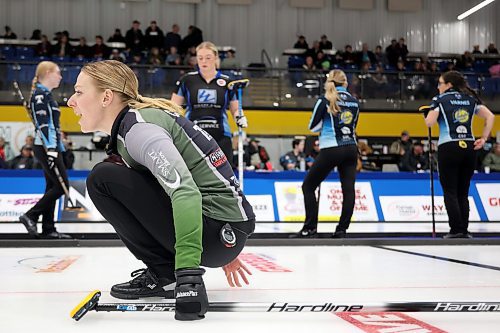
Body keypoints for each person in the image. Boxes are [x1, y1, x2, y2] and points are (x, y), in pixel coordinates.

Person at [67, 60, 255, 321]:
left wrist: (188, 276)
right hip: (221, 229)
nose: (70, 101)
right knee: (114, 174)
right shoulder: (135, 123)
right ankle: (165, 271)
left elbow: (185, 191)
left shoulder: (139, 130)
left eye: (79, 91)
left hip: (217, 231)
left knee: (103, 178)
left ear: (106, 97)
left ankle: (166, 273)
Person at [424, 70, 495, 239]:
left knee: (450, 191)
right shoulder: (470, 99)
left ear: (449, 85)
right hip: (469, 147)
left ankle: (455, 229)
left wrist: (426, 112)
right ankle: (464, 229)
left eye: (440, 83)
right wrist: (484, 138)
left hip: (449, 147)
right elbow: (490, 116)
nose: (438, 86)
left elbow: (430, 122)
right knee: (463, 191)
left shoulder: (439, 100)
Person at [291, 70, 359, 238]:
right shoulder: (354, 101)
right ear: (345, 83)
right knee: (348, 189)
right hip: (351, 147)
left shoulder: (325, 99)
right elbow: (354, 126)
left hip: (331, 147)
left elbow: (312, 127)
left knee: (308, 186)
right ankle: (342, 229)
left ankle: (310, 228)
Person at [171, 41, 248, 165]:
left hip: (221, 136)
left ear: (216, 58)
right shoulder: (186, 80)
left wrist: (240, 117)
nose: (204, 61)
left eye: (208, 57)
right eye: (200, 58)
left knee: (223, 178)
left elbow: (235, 108)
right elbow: (173, 107)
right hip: (192, 136)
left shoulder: (227, 82)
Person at [18, 61, 71, 239]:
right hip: (46, 147)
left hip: (52, 146)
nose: (60, 77)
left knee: (52, 186)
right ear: (48, 73)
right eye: (58, 73)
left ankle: (48, 228)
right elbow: (43, 125)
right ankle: (30, 215)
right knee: (61, 186)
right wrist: (51, 148)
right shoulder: (40, 95)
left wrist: (57, 146)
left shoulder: (46, 95)